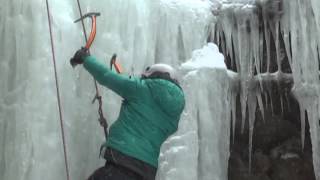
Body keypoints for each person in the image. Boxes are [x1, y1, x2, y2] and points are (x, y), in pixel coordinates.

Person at [70, 48, 185, 180]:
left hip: (123, 162)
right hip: (147, 171)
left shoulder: (141, 88)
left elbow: (106, 76)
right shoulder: (173, 115)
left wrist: (86, 59)